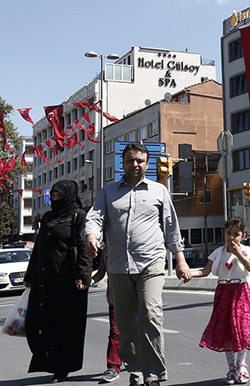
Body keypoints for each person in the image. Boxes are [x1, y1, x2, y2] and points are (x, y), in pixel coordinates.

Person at [85, 142, 192, 386]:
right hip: (119, 267)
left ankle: (153, 375)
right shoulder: (108, 192)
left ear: (146, 164)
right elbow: (95, 218)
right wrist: (92, 236)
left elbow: (171, 227)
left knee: (151, 315)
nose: (135, 164)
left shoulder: (159, 191)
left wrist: (180, 260)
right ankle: (134, 369)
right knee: (125, 324)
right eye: (130, 160)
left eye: (139, 161)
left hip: (151, 263)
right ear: (122, 163)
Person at [24, 180, 92, 383]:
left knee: (66, 325)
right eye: (52, 196)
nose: (55, 200)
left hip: (68, 281)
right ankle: (48, 362)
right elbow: (38, 249)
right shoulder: (48, 217)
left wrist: (83, 276)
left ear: (69, 196)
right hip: (45, 279)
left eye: (59, 196)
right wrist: (30, 276)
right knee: (40, 322)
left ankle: (61, 367)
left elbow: (83, 248)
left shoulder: (79, 216)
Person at [189, 217, 250, 385]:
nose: (231, 237)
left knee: (243, 328)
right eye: (228, 233)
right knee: (227, 330)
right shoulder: (218, 252)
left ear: (243, 236)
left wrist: (238, 253)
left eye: (236, 234)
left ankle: (241, 365)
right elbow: (205, 271)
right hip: (223, 292)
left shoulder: (247, 250)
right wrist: (189, 273)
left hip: (240, 292)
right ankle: (231, 368)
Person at [91, 247, 123, 383]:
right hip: (114, 299)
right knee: (115, 332)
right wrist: (89, 281)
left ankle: (139, 362)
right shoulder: (105, 252)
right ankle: (113, 366)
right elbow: (100, 273)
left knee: (137, 331)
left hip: (134, 298)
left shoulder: (130, 246)